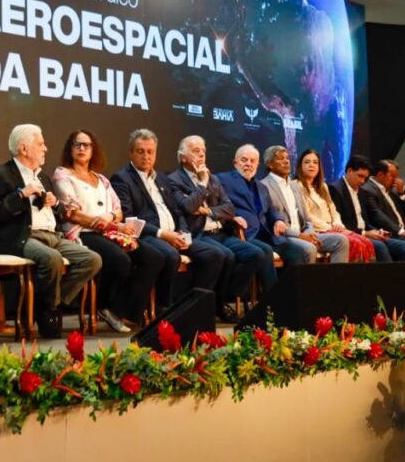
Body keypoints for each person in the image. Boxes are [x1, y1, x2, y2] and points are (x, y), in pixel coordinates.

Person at [0, 124, 102, 339]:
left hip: (52, 235)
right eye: (40, 144)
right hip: (20, 236)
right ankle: (49, 310)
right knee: (52, 259)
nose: (46, 148)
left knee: (92, 259)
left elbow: (56, 212)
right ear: (24, 148)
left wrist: (54, 204)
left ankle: (49, 304)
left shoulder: (43, 178)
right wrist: (20, 196)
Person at [52, 130, 163, 332]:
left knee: (153, 257)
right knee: (119, 259)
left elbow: (118, 209)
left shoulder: (101, 179)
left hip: (109, 232)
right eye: (77, 144)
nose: (82, 149)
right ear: (70, 149)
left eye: (87, 145)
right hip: (83, 233)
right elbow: (72, 214)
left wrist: (111, 219)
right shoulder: (63, 175)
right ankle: (104, 306)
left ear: (94, 150)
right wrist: (103, 222)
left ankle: (121, 311)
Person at [110, 129, 226, 312]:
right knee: (171, 255)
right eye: (141, 151)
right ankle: (165, 307)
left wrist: (183, 231)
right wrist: (164, 235)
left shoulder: (161, 178)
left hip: (175, 234)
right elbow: (129, 219)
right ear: (131, 153)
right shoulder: (122, 179)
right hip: (151, 235)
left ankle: (193, 306)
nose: (146, 156)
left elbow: (176, 211)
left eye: (150, 152)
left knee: (214, 255)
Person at [168, 135, 261, 323]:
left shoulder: (213, 178)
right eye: (196, 151)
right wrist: (201, 184)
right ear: (182, 157)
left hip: (221, 232)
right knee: (224, 255)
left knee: (256, 254)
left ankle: (225, 296)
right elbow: (187, 207)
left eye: (203, 150)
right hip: (198, 233)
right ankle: (207, 307)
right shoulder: (174, 180)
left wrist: (207, 210)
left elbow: (229, 208)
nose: (202, 154)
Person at [259, 145, 349, 265]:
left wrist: (309, 232)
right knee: (309, 248)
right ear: (270, 164)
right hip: (284, 238)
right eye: (280, 159)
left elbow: (307, 219)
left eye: (287, 158)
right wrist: (300, 235)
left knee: (341, 240)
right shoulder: (263, 186)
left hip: (304, 234)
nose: (286, 161)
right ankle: (308, 283)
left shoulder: (295, 186)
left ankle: (335, 283)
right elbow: (270, 224)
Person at [217, 144, 281, 296]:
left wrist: (278, 220)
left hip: (266, 233)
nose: (248, 164)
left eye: (252, 161)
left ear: (258, 165)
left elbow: (271, 210)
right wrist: (231, 217)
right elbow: (217, 204)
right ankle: (273, 301)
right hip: (242, 233)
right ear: (235, 163)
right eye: (244, 160)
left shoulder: (261, 186)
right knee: (265, 251)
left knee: (294, 249)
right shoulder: (223, 180)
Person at [293, 148, 375, 262]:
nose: (311, 165)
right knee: (355, 243)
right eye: (307, 162)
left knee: (367, 243)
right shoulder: (296, 186)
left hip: (333, 228)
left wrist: (337, 223)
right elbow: (307, 216)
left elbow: (333, 210)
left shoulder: (323, 186)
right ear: (300, 166)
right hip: (318, 229)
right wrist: (330, 228)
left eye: (315, 162)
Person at [327, 154, 397, 262]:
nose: (362, 181)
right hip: (351, 235)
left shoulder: (361, 191)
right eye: (360, 176)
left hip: (365, 233)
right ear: (349, 171)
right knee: (380, 247)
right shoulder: (336, 189)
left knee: (404, 245)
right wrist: (366, 233)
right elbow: (342, 223)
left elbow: (364, 220)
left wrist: (377, 231)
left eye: (365, 178)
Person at [359, 159, 405, 262]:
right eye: (392, 176)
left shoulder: (392, 190)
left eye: (396, 176)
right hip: (388, 231)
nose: (395, 180)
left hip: (403, 229)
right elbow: (377, 214)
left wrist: (402, 193)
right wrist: (400, 231)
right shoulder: (368, 190)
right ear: (380, 175)